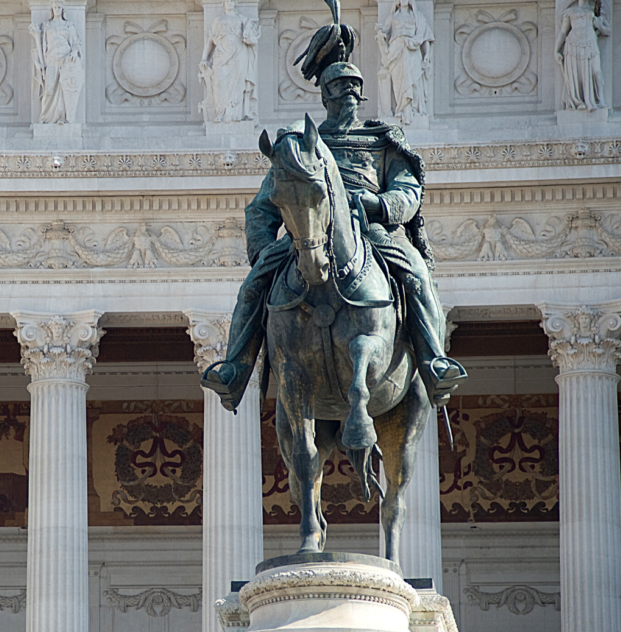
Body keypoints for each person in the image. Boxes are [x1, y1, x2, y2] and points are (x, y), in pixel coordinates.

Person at [202, 61, 465, 411]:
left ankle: (434, 361)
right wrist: (265, 251)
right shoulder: (301, 149)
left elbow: (408, 192)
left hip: (372, 232)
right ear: (325, 96)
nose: (350, 95)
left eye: (355, 87)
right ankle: (235, 368)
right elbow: (262, 207)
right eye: (341, 88)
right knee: (253, 285)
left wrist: (378, 204)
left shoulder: (381, 141)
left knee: (416, 273)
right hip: (306, 233)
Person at [199, 0, 260, 123]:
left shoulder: (243, 20)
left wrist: (249, 38)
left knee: (238, 84)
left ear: (236, 3)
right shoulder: (218, 20)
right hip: (221, 56)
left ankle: (235, 113)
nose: (230, 3)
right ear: (223, 3)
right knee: (218, 83)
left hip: (239, 54)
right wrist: (204, 58)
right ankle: (220, 112)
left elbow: (252, 38)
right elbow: (211, 41)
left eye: (232, 1)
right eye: (227, 1)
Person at [376, 0, 433, 124]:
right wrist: (380, 33)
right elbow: (384, 33)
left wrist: (427, 54)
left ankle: (415, 110)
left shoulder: (418, 17)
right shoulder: (392, 17)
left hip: (413, 50)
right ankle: (401, 110)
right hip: (396, 51)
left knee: (415, 81)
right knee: (398, 82)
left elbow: (425, 37)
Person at [29, 0, 82, 125]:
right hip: (51, 59)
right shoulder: (47, 25)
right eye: (55, 7)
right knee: (49, 88)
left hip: (66, 60)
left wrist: (74, 52)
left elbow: (76, 43)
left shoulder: (69, 25)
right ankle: (45, 118)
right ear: (51, 9)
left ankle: (62, 118)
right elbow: (43, 45)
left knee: (64, 90)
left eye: (59, 7)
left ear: (63, 9)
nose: (57, 9)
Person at [555, 0, 609, 110]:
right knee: (576, 75)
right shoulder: (570, 11)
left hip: (590, 44)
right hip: (573, 45)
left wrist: (600, 26)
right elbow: (562, 32)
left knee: (596, 72)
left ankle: (599, 100)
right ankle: (579, 102)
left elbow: (607, 30)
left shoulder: (596, 10)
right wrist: (556, 50)